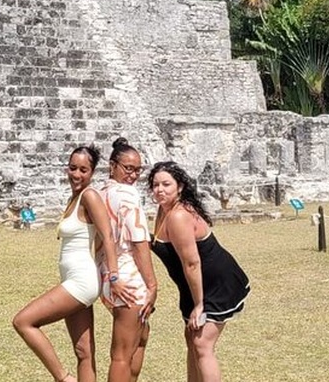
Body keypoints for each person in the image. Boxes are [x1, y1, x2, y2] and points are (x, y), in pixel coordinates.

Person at [13, 145, 135, 382]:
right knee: (84, 352)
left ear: (92, 173)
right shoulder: (75, 197)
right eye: (72, 168)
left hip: (82, 282)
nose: (76, 175)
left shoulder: (89, 196)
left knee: (23, 322)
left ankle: (63, 378)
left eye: (83, 170)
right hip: (73, 279)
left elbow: (107, 236)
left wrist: (113, 276)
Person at [148, 161, 250, 382]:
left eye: (166, 184)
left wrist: (199, 305)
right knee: (192, 338)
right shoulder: (163, 210)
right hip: (192, 285)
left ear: (180, 187)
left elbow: (192, 263)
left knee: (202, 343)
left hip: (214, 283)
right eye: (155, 185)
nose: (160, 190)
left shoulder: (178, 215)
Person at [96, 137, 158, 382]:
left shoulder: (100, 191)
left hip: (105, 272)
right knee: (122, 353)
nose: (133, 175)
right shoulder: (128, 195)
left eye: (137, 170)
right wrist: (153, 284)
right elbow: (139, 241)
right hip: (128, 275)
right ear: (113, 166)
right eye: (128, 168)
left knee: (141, 336)